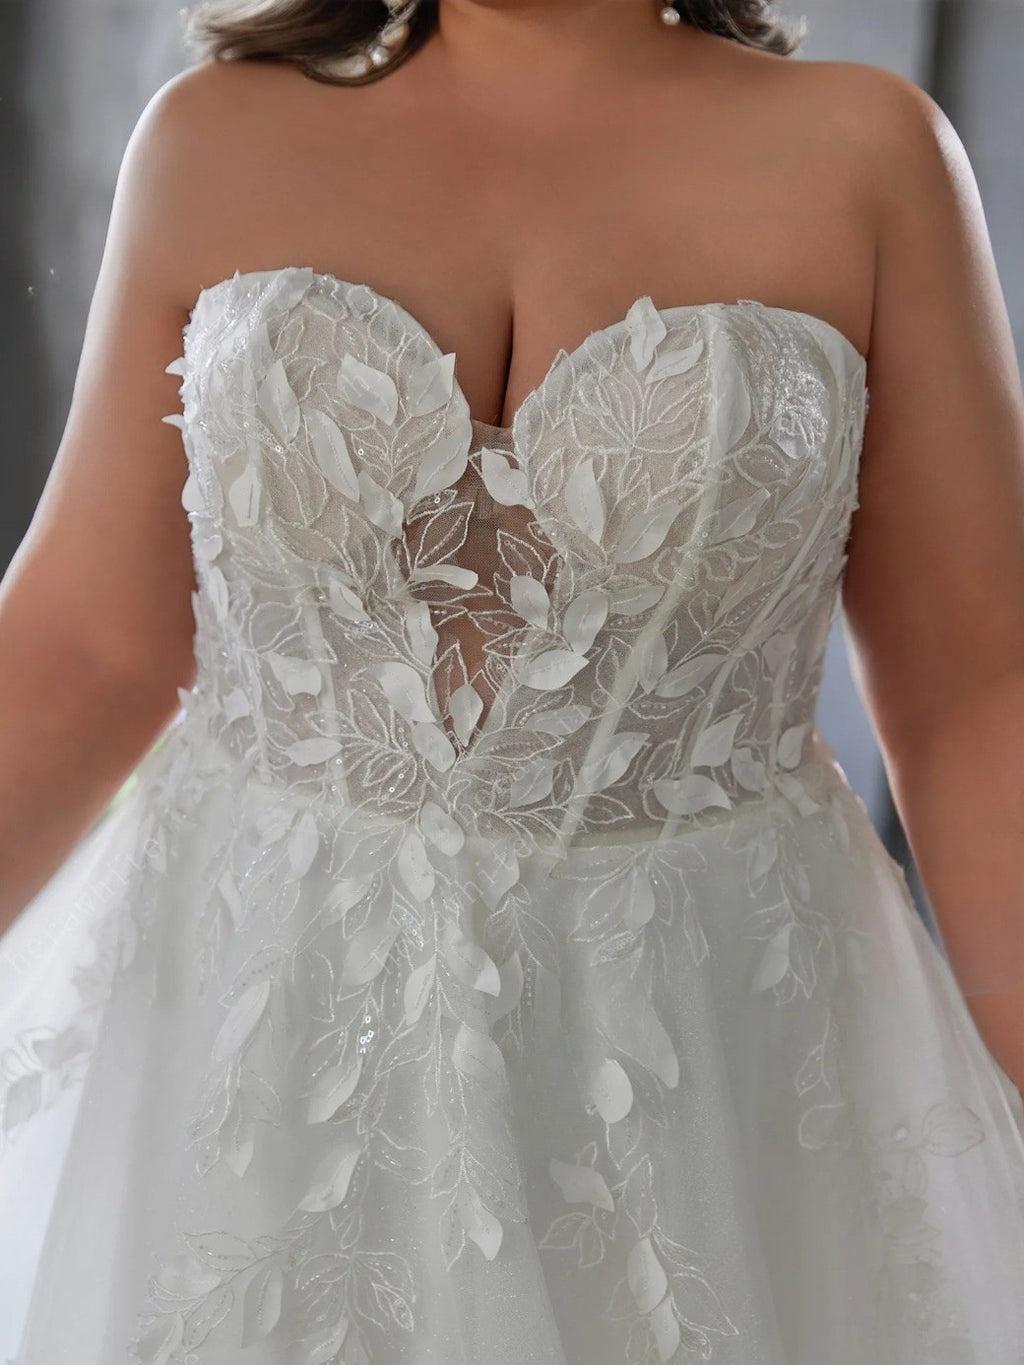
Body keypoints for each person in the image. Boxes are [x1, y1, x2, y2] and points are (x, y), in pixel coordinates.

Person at [3, 0, 1024, 1360]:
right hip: (260, 1049)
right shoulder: (216, 137)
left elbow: (979, 692)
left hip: (703, 1058)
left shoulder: (865, 158)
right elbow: (88, 644)